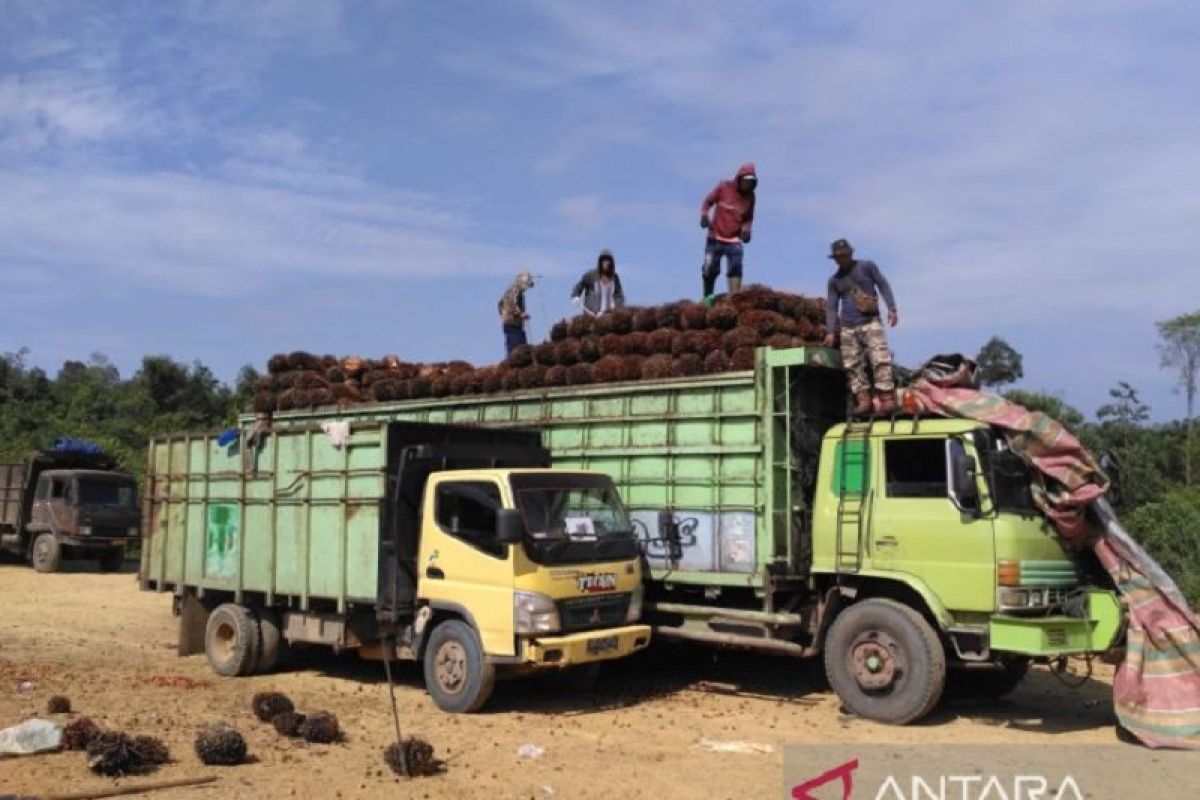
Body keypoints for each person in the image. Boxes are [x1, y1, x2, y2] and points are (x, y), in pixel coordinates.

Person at [822, 238, 899, 415]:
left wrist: (891, 308)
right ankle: (863, 400)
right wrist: (830, 332)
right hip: (848, 326)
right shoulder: (834, 281)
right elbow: (832, 307)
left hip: (870, 322)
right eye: (839, 257)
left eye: (845, 255)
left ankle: (887, 398)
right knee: (852, 364)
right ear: (834, 259)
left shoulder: (867, 267)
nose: (842, 259)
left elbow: (882, 284)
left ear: (851, 254)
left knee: (880, 359)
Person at [699, 162, 757, 298]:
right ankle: (707, 297)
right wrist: (704, 215)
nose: (747, 185)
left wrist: (747, 230)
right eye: (746, 181)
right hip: (715, 237)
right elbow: (707, 202)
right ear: (740, 178)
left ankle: (735, 298)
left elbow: (748, 218)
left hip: (733, 240)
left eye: (751, 182)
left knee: (736, 265)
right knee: (709, 269)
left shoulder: (750, 197)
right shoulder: (723, 187)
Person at [571, 249, 625, 316]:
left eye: (608, 260)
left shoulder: (615, 278)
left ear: (611, 263)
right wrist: (575, 296)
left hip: (608, 316)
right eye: (604, 260)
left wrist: (617, 307)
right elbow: (579, 286)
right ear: (600, 262)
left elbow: (619, 296)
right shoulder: (591, 275)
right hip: (592, 315)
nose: (606, 262)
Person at [498, 269, 535, 354]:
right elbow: (512, 304)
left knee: (522, 349)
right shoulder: (514, 290)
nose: (527, 287)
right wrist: (521, 314)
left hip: (516, 325)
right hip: (512, 325)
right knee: (516, 351)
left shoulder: (517, 291)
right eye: (527, 284)